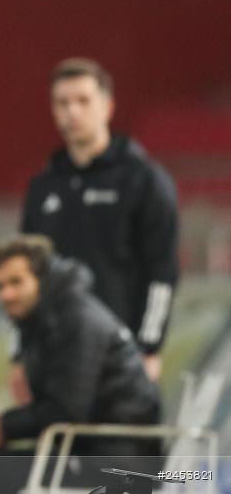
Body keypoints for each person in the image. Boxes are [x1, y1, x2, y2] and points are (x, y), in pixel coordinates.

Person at [0, 235, 161, 494]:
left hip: (117, 462)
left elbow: (67, 411)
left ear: (42, 278)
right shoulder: (49, 320)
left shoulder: (77, 321)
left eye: (16, 282)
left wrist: (5, 426)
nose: (6, 294)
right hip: (89, 450)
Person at [20, 57, 179, 382]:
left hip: (120, 354)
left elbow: (162, 272)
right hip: (56, 357)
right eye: (63, 103)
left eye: (83, 100)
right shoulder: (43, 187)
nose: (72, 111)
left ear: (107, 106)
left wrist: (149, 348)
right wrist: (20, 354)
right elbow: (26, 276)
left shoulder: (143, 180)